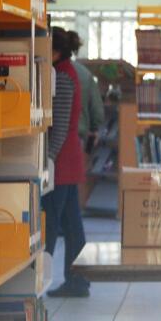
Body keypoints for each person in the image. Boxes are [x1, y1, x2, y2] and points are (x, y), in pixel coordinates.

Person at [43, 27, 90, 298]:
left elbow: (59, 125)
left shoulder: (61, 76)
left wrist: (48, 158)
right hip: (69, 159)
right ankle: (78, 279)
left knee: (51, 221)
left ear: (55, 52)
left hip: (60, 162)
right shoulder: (68, 71)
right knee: (72, 224)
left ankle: (46, 277)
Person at [67, 31, 106, 207]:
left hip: (51, 133)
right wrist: (96, 128)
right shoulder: (84, 74)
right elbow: (97, 109)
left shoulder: (51, 70)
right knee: (72, 182)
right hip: (79, 133)